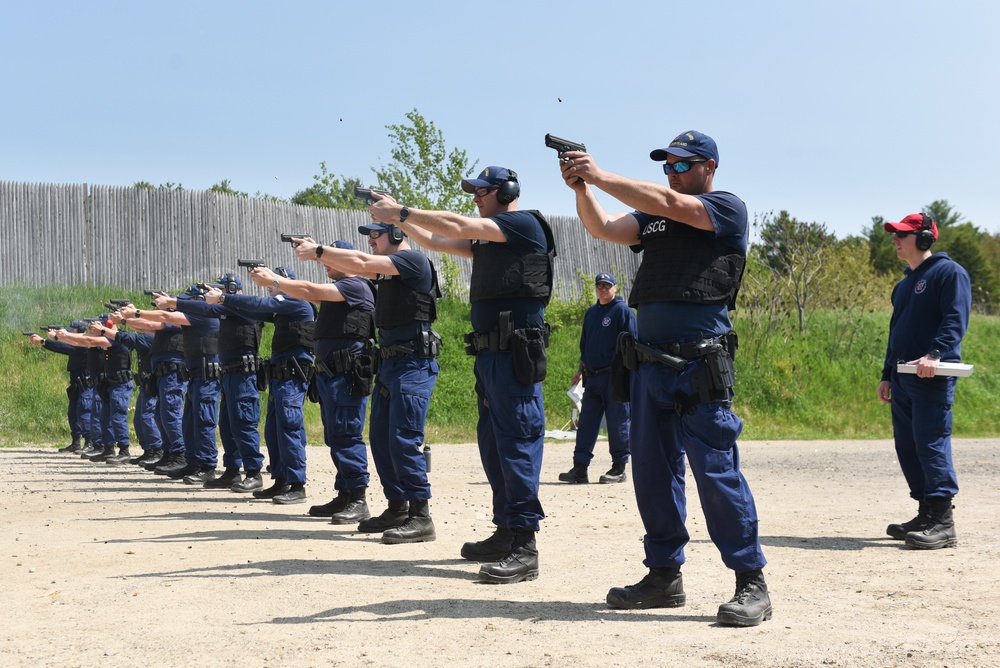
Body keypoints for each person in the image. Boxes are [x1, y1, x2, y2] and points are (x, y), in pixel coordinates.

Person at [556, 131, 770, 626]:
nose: (671, 172)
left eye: (681, 165)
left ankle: (750, 582)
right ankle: (663, 576)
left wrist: (600, 173)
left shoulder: (725, 208)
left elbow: (669, 201)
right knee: (652, 474)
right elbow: (606, 229)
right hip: (649, 366)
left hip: (699, 365)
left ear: (708, 168)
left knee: (716, 473)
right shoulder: (655, 217)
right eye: (666, 165)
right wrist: (580, 187)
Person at [365, 166, 555, 583]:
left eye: (483, 191)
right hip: (490, 356)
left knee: (517, 447)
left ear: (507, 192)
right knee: (493, 447)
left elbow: (454, 223)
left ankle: (525, 545)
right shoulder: (492, 239)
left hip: (513, 355)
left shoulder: (521, 224)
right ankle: (506, 531)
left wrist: (402, 210)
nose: (476, 197)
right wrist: (400, 219)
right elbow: (436, 239)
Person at [293, 225, 439, 543]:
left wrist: (317, 250)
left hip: (413, 363)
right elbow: (354, 265)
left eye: (377, 234)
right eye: (369, 236)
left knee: (402, 438)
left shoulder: (413, 260)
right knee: (381, 439)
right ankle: (398, 507)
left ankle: (421, 516)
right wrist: (321, 254)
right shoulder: (385, 275)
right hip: (389, 364)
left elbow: (358, 264)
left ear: (398, 236)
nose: (371, 240)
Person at [878, 213, 971, 550]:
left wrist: (935, 353)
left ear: (924, 239)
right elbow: (895, 332)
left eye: (902, 235)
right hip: (903, 377)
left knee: (930, 443)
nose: (895, 241)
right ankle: (925, 512)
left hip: (933, 374)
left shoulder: (949, 273)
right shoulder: (903, 285)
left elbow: (955, 319)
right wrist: (887, 375)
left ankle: (943, 522)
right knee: (909, 446)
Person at [265, 241, 376, 523]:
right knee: (335, 436)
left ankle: (359, 498)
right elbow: (310, 292)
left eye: (332, 259)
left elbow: (309, 291)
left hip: (347, 375)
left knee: (346, 435)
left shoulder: (355, 286)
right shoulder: (340, 291)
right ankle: (345, 493)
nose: (326, 263)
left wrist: (276, 281)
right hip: (331, 375)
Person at [206, 267, 315, 504]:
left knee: (289, 428)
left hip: (292, 375)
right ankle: (281, 480)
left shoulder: (296, 302)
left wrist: (224, 297)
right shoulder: (283, 309)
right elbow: (251, 308)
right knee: (274, 431)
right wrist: (224, 301)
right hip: (279, 376)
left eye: (274, 283)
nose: (269, 286)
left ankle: (297, 485)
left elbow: (258, 304)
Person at [168, 274, 265, 491]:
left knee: (243, 422)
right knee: (228, 424)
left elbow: (206, 310)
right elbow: (206, 309)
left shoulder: (245, 306)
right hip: (229, 373)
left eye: (220, 289)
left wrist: (174, 303)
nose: (213, 293)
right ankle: (232, 472)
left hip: (243, 374)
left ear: (231, 288)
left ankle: (254, 472)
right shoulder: (229, 307)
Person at [123, 286, 221, 483]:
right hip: (194, 375)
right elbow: (158, 321)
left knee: (202, 421)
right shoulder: (193, 317)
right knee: (189, 421)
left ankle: (207, 465)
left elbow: (162, 320)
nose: (184, 304)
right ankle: (191, 462)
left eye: (187, 301)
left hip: (203, 376)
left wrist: (136, 313)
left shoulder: (203, 315)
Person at [559, 271, 636, 485]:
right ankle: (580, 468)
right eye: (599, 285)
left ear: (615, 288)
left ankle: (618, 468)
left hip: (614, 377)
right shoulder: (591, 313)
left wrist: (629, 375)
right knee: (586, 423)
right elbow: (586, 346)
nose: (603, 289)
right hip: (592, 378)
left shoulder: (623, 311)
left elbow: (632, 346)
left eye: (607, 285)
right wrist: (580, 370)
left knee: (618, 422)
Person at [29, 323, 93, 454]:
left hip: (86, 385)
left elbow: (66, 347)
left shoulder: (84, 345)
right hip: (76, 384)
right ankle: (76, 443)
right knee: (73, 413)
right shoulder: (75, 344)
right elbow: (63, 348)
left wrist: (44, 341)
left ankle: (90, 442)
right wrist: (50, 340)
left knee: (84, 413)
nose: (69, 333)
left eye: (72, 331)